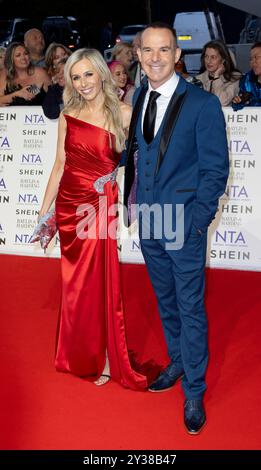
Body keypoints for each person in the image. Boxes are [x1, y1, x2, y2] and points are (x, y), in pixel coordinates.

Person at [124, 23, 229, 434]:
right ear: (138, 55)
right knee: (165, 300)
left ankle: (195, 391)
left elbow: (215, 170)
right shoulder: (138, 95)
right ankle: (178, 362)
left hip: (184, 224)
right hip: (149, 220)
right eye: (148, 51)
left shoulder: (202, 104)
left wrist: (198, 221)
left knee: (190, 307)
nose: (155, 58)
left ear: (176, 55)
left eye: (164, 50)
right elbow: (139, 154)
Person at [38, 48, 153, 390]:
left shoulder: (125, 112)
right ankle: (78, 353)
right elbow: (59, 166)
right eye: (76, 76)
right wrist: (44, 213)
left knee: (99, 281)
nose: (83, 83)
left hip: (99, 206)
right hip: (70, 205)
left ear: (102, 73)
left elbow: (138, 161)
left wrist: (113, 176)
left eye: (89, 74)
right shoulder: (68, 115)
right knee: (74, 283)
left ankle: (103, 356)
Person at [0, 42, 50, 107]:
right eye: (18, 55)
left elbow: (54, 97)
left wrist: (33, 91)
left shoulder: (40, 73)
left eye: (25, 54)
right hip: (13, 116)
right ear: (11, 60)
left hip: (37, 116)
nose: (23, 58)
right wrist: (16, 94)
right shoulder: (5, 74)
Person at [196, 39, 241, 106]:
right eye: (206, 56)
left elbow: (222, 102)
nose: (208, 61)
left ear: (223, 60)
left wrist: (216, 77)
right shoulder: (198, 80)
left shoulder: (234, 78)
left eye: (213, 57)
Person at [232, 42, 261, 109]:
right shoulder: (246, 80)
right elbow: (239, 106)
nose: (253, 61)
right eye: (251, 59)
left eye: (256, 57)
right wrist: (238, 102)